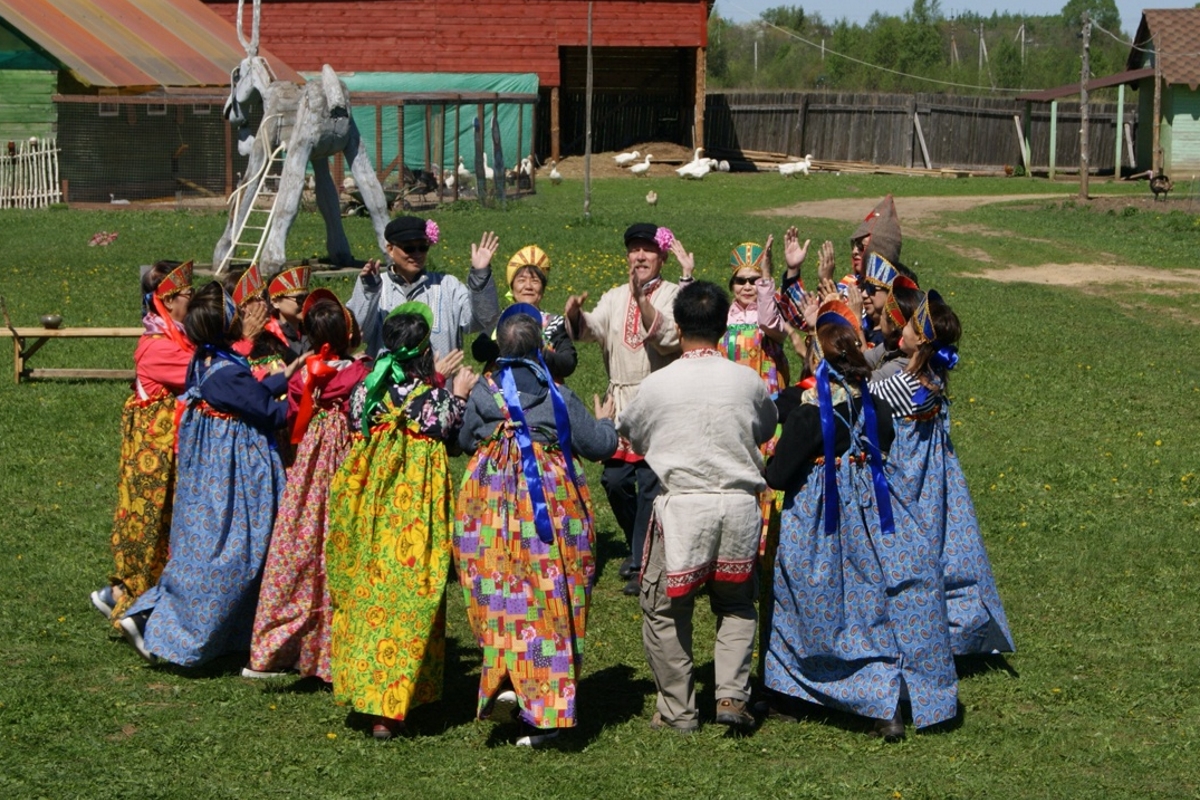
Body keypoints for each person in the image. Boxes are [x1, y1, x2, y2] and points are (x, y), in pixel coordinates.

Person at [764, 300, 957, 741]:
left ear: (820, 358)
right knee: (867, 602)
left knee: (804, 597)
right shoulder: (872, 404)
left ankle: (790, 693)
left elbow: (777, 475)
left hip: (820, 518)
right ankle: (883, 705)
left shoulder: (812, 411)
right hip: (869, 513)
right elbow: (884, 443)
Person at [454, 305, 618, 747]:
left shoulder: (484, 393)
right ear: (542, 347)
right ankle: (544, 712)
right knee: (551, 601)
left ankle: (508, 678)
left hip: (489, 511)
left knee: (499, 594)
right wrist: (606, 419)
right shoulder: (558, 395)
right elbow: (599, 445)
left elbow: (467, 439)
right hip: (550, 509)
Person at [618, 281, 777, 733]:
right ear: (725, 325)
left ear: (679, 325)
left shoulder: (658, 384)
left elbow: (632, 432)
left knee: (666, 608)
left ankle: (677, 708)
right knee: (736, 604)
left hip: (683, 508)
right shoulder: (747, 381)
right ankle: (730, 694)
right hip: (738, 506)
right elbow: (765, 425)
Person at [119, 281, 302, 667]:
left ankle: (158, 615)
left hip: (208, 469)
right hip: (233, 472)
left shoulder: (204, 359)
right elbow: (268, 412)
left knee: (199, 545)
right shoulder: (225, 373)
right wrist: (308, 401)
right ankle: (182, 636)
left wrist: (286, 376)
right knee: (233, 552)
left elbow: (248, 392)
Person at [325, 302, 477, 740]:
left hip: (368, 509)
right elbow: (454, 435)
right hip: (412, 515)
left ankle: (367, 692)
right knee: (410, 597)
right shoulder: (436, 402)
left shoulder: (364, 392)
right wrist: (460, 393)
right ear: (425, 351)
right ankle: (392, 707)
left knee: (367, 594)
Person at [870, 290, 1014, 656]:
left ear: (921, 340)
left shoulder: (905, 384)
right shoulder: (931, 376)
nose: (902, 328)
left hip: (905, 478)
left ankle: (910, 636)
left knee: (902, 557)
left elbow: (863, 396)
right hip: (931, 479)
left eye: (911, 325)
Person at [244, 289, 369, 681]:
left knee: (300, 544)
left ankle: (281, 644)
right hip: (348, 465)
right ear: (349, 335)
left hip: (309, 472)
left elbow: (296, 414)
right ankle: (334, 649)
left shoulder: (304, 375)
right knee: (343, 542)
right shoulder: (360, 374)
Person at [564, 223, 685, 595]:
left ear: (662, 256)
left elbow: (666, 340)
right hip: (620, 402)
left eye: (648, 250)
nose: (640, 256)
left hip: (657, 401)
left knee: (650, 483)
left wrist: (642, 299)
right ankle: (641, 545)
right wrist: (574, 316)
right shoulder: (615, 296)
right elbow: (592, 329)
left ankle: (642, 562)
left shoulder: (673, 295)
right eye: (634, 250)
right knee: (614, 482)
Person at [91, 260, 194, 625]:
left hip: (169, 457)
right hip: (154, 463)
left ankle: (122, 596)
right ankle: (135, 603)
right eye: (187, 294)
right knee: (151, 530)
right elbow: (204, 370)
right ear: (167, 300)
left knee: (166, 530)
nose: (193, 300)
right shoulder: (157, 347)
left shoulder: (174, 338)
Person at [347, 216, 501, 359]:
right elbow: (355, 335)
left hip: (439, 383)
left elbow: (483, 320)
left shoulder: (447, 285)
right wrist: (369, 291)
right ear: (390, 249)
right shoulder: (376, 286)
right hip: (388, 387)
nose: (417, 254)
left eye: (423, 247)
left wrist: (480, 274)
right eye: (409, 248)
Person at [471, 245, 577, 382]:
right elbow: (478, 351)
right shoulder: (500, 319)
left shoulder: (554, 323)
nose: (528, 286)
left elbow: (569, 362)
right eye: (521, 280)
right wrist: (510, 344)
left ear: (543, 290)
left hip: (542, 397)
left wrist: (538, 353)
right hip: (499, 394)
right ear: (512, 288)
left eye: (535, 281)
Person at [267, 264, 311, 359]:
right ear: (275, 302)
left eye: (306, 297)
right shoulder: (269, 339)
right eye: (299, 299)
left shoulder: (313, 328)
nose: (305, 303)